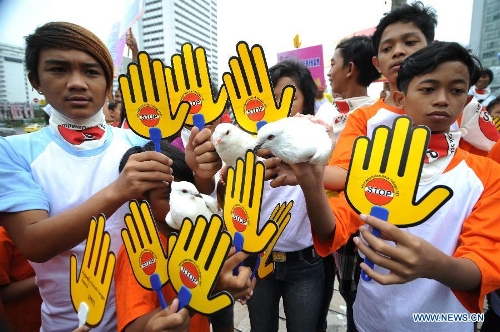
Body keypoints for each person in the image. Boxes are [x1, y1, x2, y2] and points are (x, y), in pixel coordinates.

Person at [287, 40, 500, 331]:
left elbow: (484, 265)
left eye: (456, 90)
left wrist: (435, 265)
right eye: (428, 88)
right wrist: (310, 183)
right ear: (401, 99)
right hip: (369, 318)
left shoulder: (486, 174)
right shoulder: (375, 160)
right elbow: (333, 228)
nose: (442, 99)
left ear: (466, 100)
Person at [0, 21, 182, 331]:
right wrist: (118, 191)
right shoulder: (15, 151)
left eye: (91, 71)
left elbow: (175, 218)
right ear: (35, 81)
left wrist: (202, 176)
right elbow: (33, 242)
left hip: (144, 317)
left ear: (110, 83)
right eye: (58, 69)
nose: (76, 83)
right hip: (66, 326)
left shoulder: (137, 142)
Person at [323, 1, 498, 194]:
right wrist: (304, 171)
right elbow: (343, 172)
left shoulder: (466, 110)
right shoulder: (362, 117)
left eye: (410, 42)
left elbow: (489, 171)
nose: (398, 51)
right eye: (387, 48)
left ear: (431, 47)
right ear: (377, 64)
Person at [115, 140, 253, 332]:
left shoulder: (191, 235)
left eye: (185, 191)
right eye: (167, 196)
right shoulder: (137, 253)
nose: (182, 203)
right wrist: (208, 288)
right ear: (140, 200)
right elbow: (133, 327)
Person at [240, 59, 325, 332]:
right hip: (259, 258)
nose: (281, 104)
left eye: (291, 96)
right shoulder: (250, 145)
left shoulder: (318, 141)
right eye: (274, 97)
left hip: (305, 263)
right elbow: (231, 203)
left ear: (307, 101)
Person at [315, 34, 381, 332]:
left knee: (359, 300)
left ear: (350, 68)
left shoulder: (373, 116)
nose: (329, 72)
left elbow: (349, 177)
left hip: (359, 229)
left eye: (333, 63)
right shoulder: (333, 113)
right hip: (332, 223)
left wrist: (304, 169)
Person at [0, 226, 42, 332]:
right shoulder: (3, 237)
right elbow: (3, 294)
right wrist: (44, 278)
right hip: (23, 322)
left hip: (47, 315)